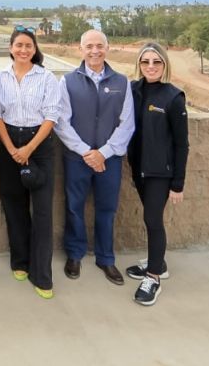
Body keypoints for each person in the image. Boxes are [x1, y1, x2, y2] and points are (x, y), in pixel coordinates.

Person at [55, 29, 135, 285]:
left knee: (107, 209)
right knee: (74, 207)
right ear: (81, 49)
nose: (94, 51)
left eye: (99, 45)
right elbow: (61, 122)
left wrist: (104, 152)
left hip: (109, 160)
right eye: (89, 46)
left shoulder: (122, 83)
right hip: (77, 159)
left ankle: (106, 258)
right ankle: (75, 254)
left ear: (107, 48)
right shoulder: (67, 81)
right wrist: (85, 152)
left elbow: (127, 124)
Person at [0, 26, 60, 299]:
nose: (23, 50)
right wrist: (12, 149)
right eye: (18, 45)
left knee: (42, 212)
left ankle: (42, 275)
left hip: (40, 145)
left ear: (35, 49)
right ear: (11, 48)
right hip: (9, 143)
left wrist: (28, 149)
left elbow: (51, 116)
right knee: (14, 205)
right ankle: (19, 262)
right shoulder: (0, 78)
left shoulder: (46, 78)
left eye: (28, 46)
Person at [126, 42, 188, 306]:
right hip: (138, 168)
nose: (150, 67)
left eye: (156, 62)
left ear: (165, 65)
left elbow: (181, 144)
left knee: (153, 220)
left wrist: (178, 183)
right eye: (145, 62)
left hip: (160, 173)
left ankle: (153, 277)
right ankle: (157, 263)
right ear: (139, 65)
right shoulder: (133, 90)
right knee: (151, 218)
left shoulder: (174, 97)